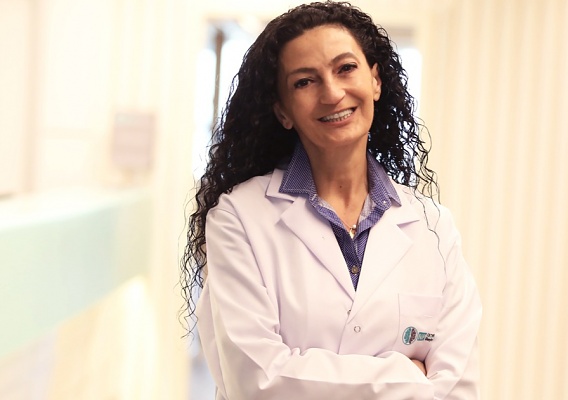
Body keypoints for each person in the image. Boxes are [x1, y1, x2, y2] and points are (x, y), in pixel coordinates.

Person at [180, 1, 482, 399]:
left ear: (375, 81)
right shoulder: (239, 217)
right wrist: (406, 377)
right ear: (283, 112)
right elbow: (257, 382)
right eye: (305, 81)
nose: (332, 92)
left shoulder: (433, 227)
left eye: (346, 68)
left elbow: (459, 387)